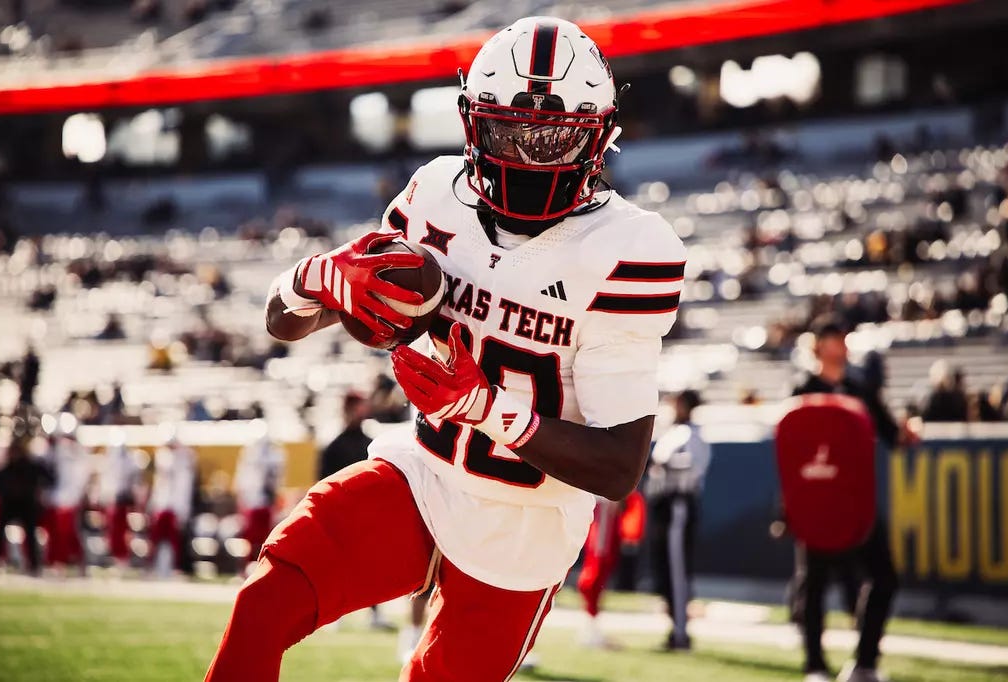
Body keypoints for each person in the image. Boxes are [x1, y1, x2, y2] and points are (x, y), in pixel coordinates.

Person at [205, 16, 687, 682]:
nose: (527, 157)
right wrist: (314, 278)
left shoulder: (626, 248)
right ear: (470, 124)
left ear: (599, 137)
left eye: (553, 138)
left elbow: (617, 467)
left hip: (523, 527)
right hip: (422, 472)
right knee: (267, 598)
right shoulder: (436, 194)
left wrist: (485, 408)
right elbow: (287, 324)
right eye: (508, 132)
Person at [791, 315, 907, 682]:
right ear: (819, 345)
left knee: (883, 577)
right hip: (817, 501)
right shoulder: (803, 390)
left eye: (844, 338)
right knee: (814, 584)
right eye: (835, 338)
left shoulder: (860, 388)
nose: (842, 345)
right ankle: (815, 666)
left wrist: (906, 431)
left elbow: (891, 434)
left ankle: (865, 662)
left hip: (857, 501)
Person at [318, 392, 395, 631]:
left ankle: (374, 613)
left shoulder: (370, 444)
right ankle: (333, 613)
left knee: (372, 566)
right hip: (343, 514)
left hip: (368, 514)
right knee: (339, 566)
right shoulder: (334, 446)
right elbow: (323, 484)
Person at [645, 390, 711, 651]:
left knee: (677, 569)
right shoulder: (673, 432)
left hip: (678, 504)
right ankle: (675, 628)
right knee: (664, 568)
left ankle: (681, 633)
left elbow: (693, 467)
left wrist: (661, 463)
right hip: (663, 504)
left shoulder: (692, 434)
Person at [576, 491, 645, 649]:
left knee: (602, 568)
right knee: (596, 569)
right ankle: (590, 626)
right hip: (603, 502)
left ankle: (592, 625)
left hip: (608, 504)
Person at [0, 436, 54, 576]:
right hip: (10, 505)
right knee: (1, 534)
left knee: (30, 536)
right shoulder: (8, 468)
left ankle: (34, 565)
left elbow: (48, 479)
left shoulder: (31, 466)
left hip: (27, 506)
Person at [233, 423, 285, 574]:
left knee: (263, 539)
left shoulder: (273, 456)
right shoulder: (259, 456)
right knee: (252, 539)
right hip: (255, 502)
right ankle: (252, 567)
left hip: (262, 503)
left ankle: (260, 568)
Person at [44, 415, 91, 574]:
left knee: (66, 533)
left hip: (68, 498)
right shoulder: (53, 452)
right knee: (55, 533)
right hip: (56, 497)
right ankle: (57, 562)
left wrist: (76, 495)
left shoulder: (76, 453)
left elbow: (79, 478)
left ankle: (67, 562)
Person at [148, 427, 197, 578]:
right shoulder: (163, 457)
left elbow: (184, 487)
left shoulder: (184, 460)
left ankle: (176, 568)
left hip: (176, 505)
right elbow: (159, 484)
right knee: (156, 537)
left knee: (175, 539)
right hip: (163, 503)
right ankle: (153, 566)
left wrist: (183, 509)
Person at [102, 428, 142, 571]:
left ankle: (122, 557)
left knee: (122, 530)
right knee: (113, 530)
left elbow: (132, 480)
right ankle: (116, 556)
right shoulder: (110, 459)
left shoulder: (130, 460)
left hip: (122, 500)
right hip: (113, 499)